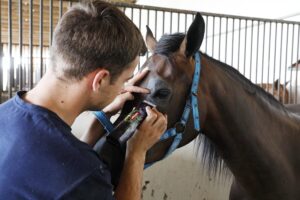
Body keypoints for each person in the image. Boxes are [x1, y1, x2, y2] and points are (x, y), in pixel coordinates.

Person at [0, 1, 167, 200]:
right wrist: (137, 153)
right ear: (101, 79)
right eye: (124, 79)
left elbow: (55, 164)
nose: (124, 87)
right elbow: (72, 171)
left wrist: (100, 119)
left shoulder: (6, 113)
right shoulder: (84, 174)